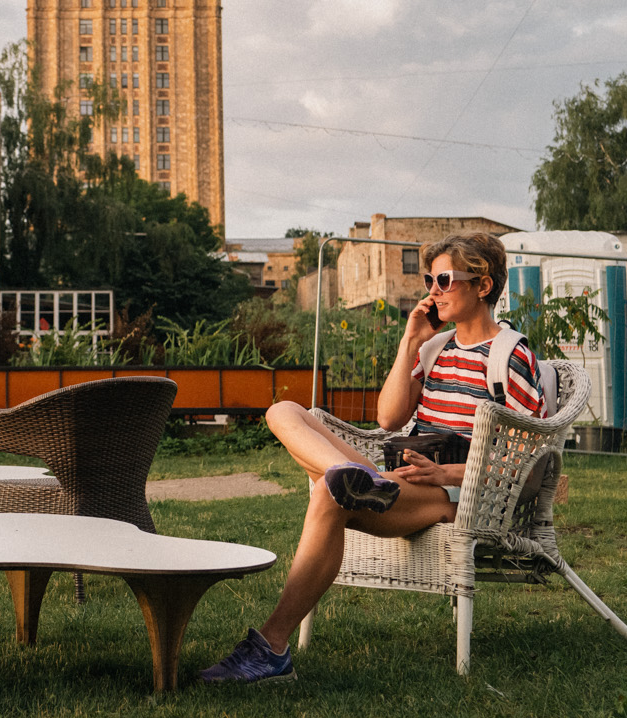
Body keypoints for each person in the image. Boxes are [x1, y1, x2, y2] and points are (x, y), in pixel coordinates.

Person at [200, 231, 544, 684]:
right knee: (283, 411)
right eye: (429, 280)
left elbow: (528, 463)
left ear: (483, 285)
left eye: (444, 280)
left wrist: (445, 472)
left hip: (451, 494)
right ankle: (349, 476)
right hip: (397, 478)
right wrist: (409, 342)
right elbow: (388, 418)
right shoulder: (434, 349)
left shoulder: (510, 355)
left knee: (328, 494)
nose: (433, 291)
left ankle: (271, 648)